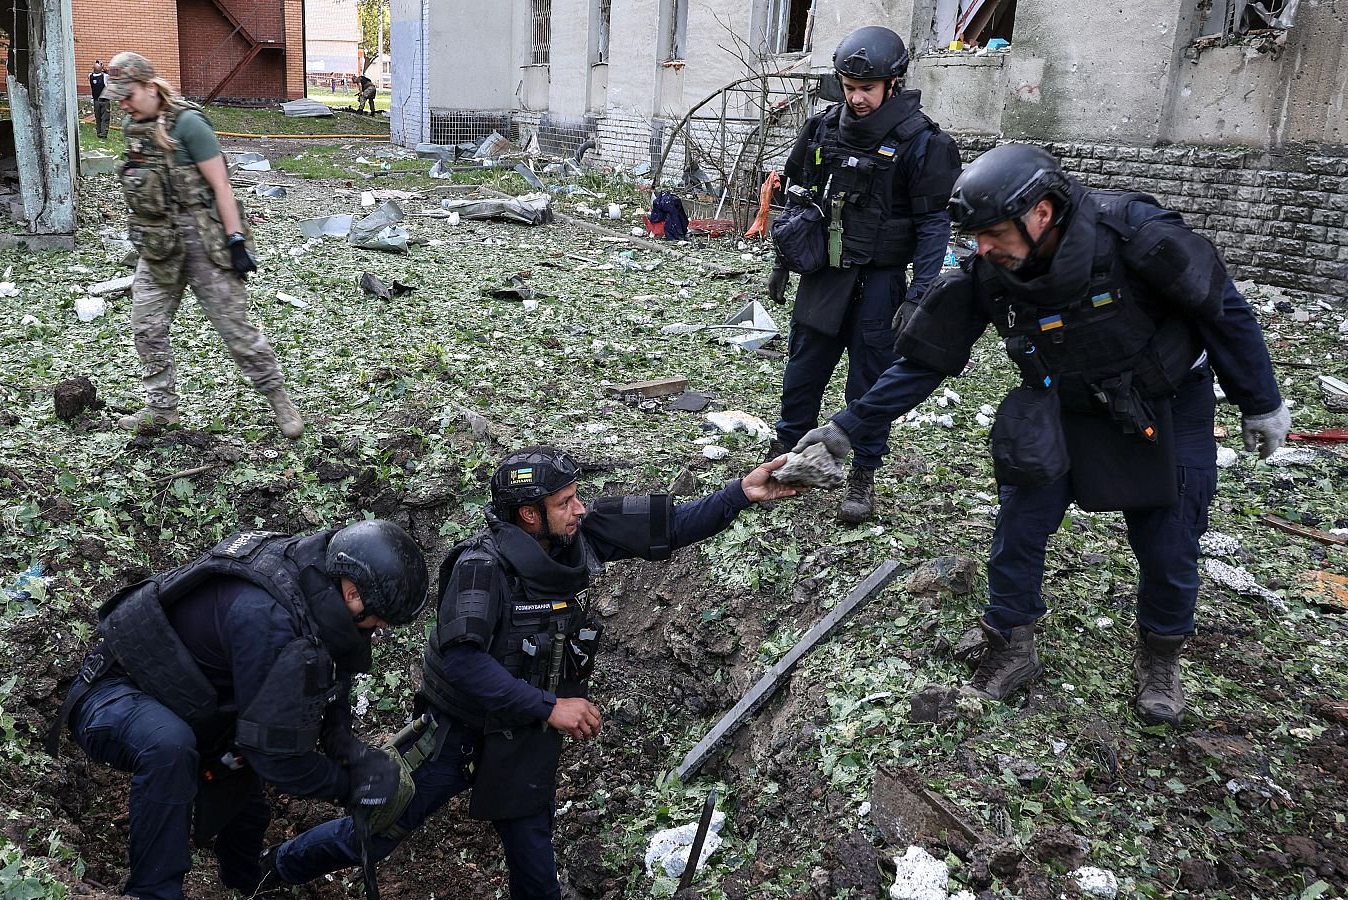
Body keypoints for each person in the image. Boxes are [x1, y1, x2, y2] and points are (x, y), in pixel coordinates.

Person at [794, 143, 1289, 725]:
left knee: (1169, 543)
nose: (981, 248)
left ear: (1042, 213)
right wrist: (848, 428)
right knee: (1019, 527)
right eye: (974, 237)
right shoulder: (990, 272)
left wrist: (1260, 402)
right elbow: (925, 360)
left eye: (992, 233)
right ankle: (1012, 640)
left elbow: (1222, 310)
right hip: (1060, 402)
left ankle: (1160, 656)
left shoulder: (1138, 237)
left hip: (1165, 402)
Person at [266, 447, 808, 898]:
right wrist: (552, 707)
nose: (579, 510)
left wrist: (743, 492)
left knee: (534, 862)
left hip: (522, 738)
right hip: (456, 733)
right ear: (529, 513)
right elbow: (464, 659)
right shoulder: (482, 568)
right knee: (377, 829)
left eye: (576, 498)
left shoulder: (576, 536)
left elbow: (676, 523)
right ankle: (274, 869)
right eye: (565, 502)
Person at [47, 520, 430, 900]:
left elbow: (332, 675)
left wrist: (347, 748)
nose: (380, 628)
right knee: (171, 747)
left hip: (194, 703)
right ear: (353, 595)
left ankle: (247, 883)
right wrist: (349, 787)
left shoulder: (316, 580)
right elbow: (277, 758)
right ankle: (153, 891)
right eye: (380, 618)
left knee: (244, 799)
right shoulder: (270, 619)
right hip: (113, 695)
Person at [767, 26, 962, 524]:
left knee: (869, 383)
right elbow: (795, 197)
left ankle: (862, 476)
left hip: (881, 280)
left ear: (893, 84)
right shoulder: (822, 130)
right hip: (826, 274)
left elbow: (933, 223)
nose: (856, 98)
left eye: (866, 89)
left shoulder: (923, 143)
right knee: (802, 371)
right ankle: (786, 460)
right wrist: (783, 262)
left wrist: (920, 296)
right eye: (848, 87)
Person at [102, 51, 305, 437]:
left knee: (234, 327)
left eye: (127, 94)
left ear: (149, 86)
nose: (122, 103)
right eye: (119, 97)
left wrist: (236, 240)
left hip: (202, 237)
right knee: (147, 327)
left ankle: (279, 400)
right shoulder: (132, 124)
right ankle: (161, 410)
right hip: (159, 241)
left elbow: (221, 186)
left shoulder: (189, 124)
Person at [89, 60, 110, 140]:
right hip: (104, 100)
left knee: (98, 117)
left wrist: (97, 67)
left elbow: (94, 71)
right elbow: (111, 75)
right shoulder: (104, 76)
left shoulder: (90, 75)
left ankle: (99, 132)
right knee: (105, 117)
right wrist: (104, 68)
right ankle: (103, 133)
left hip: (96, 100)